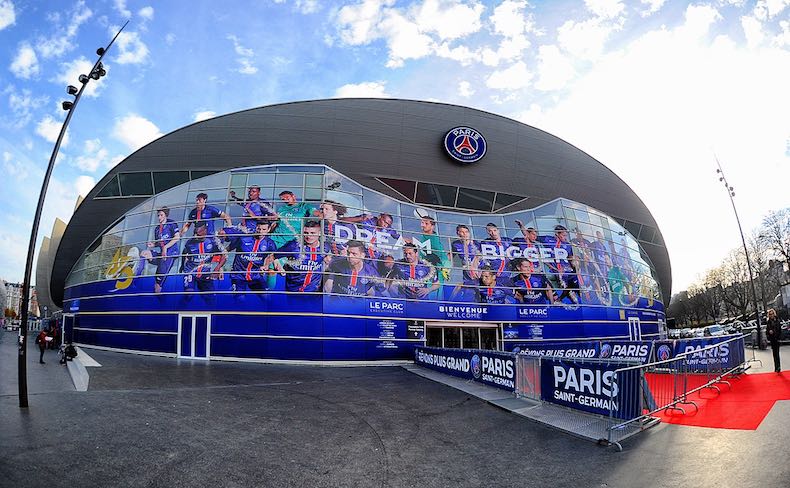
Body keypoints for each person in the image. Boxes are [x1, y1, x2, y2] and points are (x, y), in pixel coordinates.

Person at [219, 218, 278, 292]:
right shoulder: (243, 238)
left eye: (264, 229)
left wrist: (266, 265)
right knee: (240, 300)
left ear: (268, 229)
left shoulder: (270, 243)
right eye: (259, 229)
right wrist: (220, 267)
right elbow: (226, 250)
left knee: (267, 298)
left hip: (256, 276)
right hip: (238, 276)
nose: (260, 232)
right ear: (256, 227)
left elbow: (272, 256)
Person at [274, 220, 331, 292]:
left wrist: (327, 262)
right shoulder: (294, 246)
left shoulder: (325, 247)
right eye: (306, 233)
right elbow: (273, 255)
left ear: (319, 233)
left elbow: (328, 261)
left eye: (312, 233)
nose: (309, 236)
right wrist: (277, 263)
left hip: (314, 291)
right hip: (293, 289)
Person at [140, 207, 181, 293]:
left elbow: (177, 237)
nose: (159, 217)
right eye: (158, 215)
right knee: (144, 253)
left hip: (169, 254)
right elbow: (159, 243)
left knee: (157, 285)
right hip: (162, 254)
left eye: (161, 215)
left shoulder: (171, 223)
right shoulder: (157, 229)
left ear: (165, 215)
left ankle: (161, 299)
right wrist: (153, 244)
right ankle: (138, 275)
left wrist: (166, 247)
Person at [180, 221, 227, 292]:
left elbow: (224, 255)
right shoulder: (190, 242)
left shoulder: (213, 241)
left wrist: (218, 268)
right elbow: (184, 252)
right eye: (194, 233)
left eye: (198, 234)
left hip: (205, 274)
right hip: (190, 271)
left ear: (205, 231)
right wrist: (182, 265)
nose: (195, 236)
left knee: (210, 298)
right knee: (189, 293)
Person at [449, 224, 481, 302]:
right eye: (462, 232)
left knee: (479, 290)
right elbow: (450, 256)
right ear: (458, 233)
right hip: (466, 271)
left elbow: (481, 256)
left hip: (477, 271)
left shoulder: (476, 244)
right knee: (467, 291)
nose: (465, 234)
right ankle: (449, 302)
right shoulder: (455, 244)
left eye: (466, 232)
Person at [766, 308, 782, 372]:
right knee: (774, 354)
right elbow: (767, 331)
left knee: (777, 353)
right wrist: (769, 333)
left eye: (772, 314)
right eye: (770, 314)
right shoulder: (768, 322)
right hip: (772, 339)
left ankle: (778, 367)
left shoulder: (777, 320)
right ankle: (776, 367)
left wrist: (778, 336)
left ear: (774, 314)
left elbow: (779, 330)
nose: (771, 315)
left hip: (777, 338)